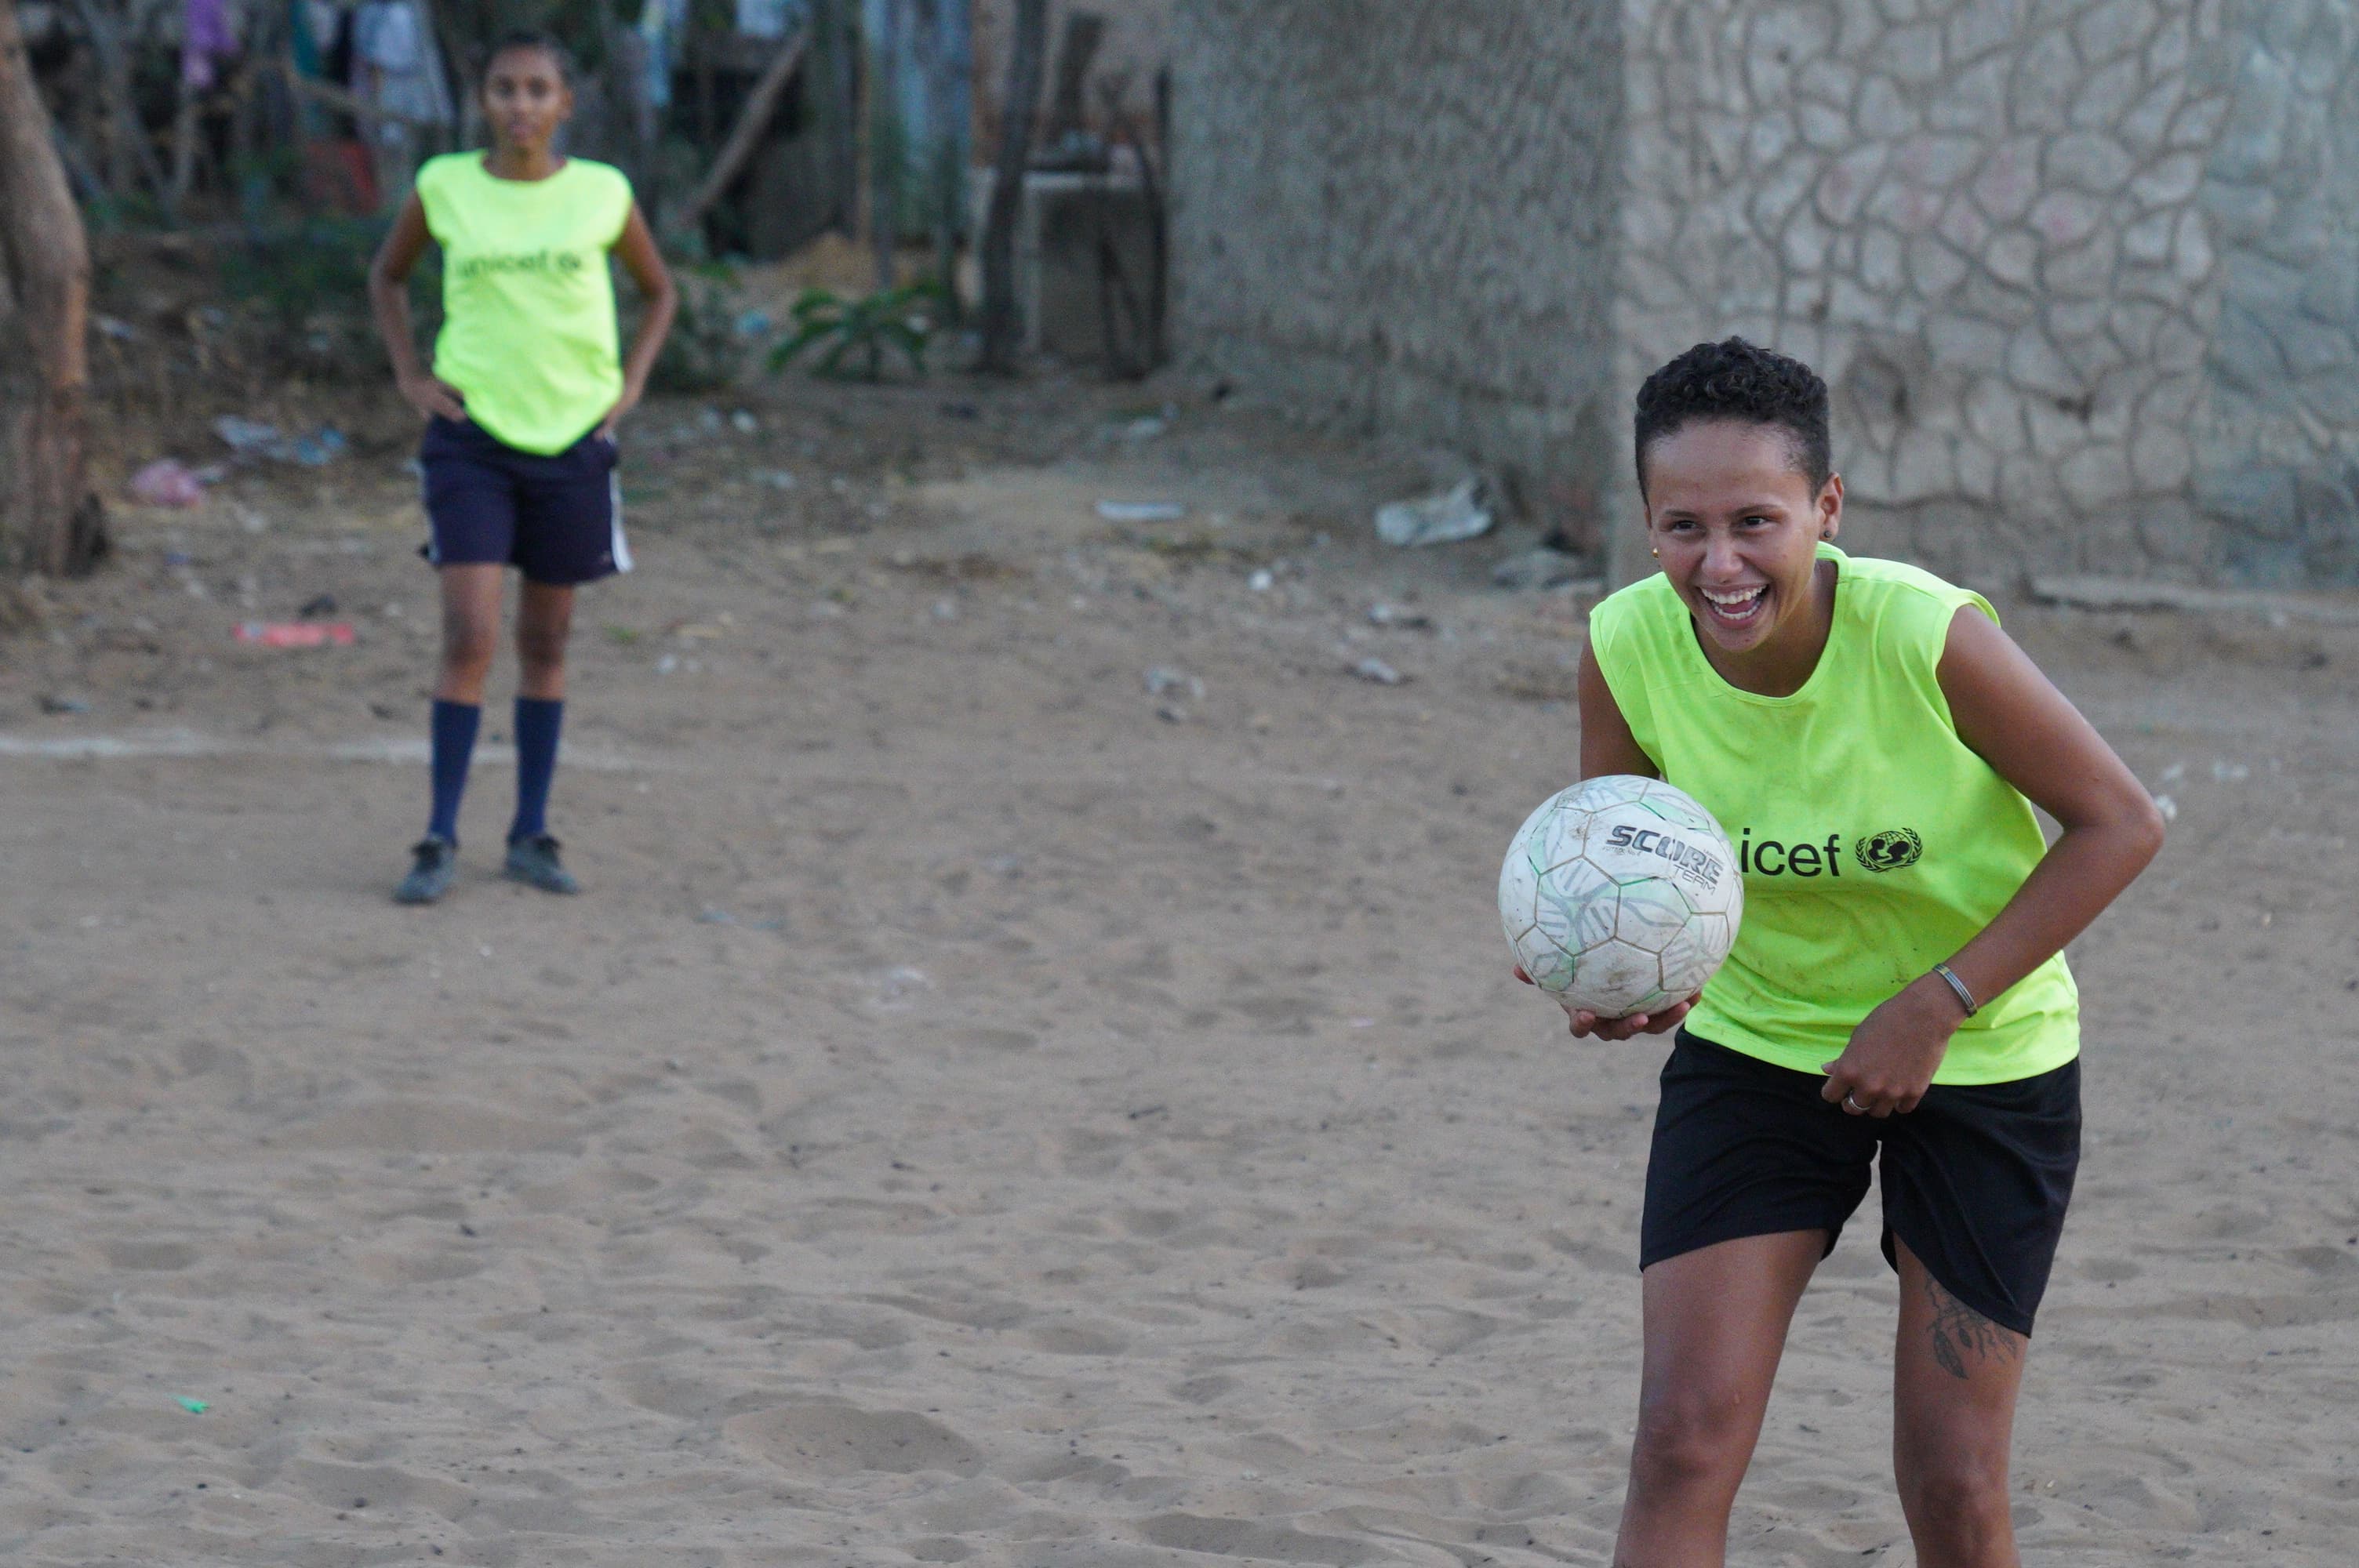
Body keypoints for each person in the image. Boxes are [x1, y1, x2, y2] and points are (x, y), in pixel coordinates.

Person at [1524, 338, 2165, 1566]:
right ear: (1647, 524)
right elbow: (1624, 857)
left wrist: (1939, 1000)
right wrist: (1630, 978)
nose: (1719, 564)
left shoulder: (1923, 636)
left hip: (1983, 1060)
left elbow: (2121, 823)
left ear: (1826, 510)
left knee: (1953, 1478)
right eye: (1681, 527)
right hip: (1758, 1053)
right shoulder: (1625, 643)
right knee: (1681, 1445)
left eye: (1756, 521)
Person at [367, 29, 676, 905]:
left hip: (573, 442)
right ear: (483, 101)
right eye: (504, 89)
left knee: (547, 642)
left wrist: (632, 379)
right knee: (469, 633)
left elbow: (659, 291)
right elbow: (387, 277)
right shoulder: (445, 186)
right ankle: (436, 838)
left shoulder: (602, 194)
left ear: (564, 105)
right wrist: (408, 373)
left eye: (538, 90)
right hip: (471, 439)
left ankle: (531, 832)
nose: (520, 106)